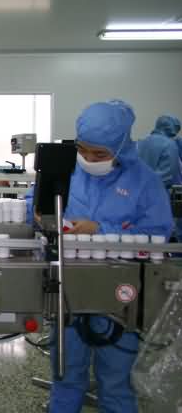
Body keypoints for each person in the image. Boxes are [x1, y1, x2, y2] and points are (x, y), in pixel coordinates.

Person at [28, 100, 173, 413]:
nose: (89, 159)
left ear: (120, 147)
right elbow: (35, 204)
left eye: (99, 154)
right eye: (83, 150)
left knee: (117, 380)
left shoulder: (144, 181)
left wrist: (100, 229)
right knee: (66, 373)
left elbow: (158, 233)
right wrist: (39, 215)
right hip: (69, 283)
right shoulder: (65, 170)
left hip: (121, 290)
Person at [137, 115, 182, 188]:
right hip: (159, 190)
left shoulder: (140, 143)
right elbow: (167, 176)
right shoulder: (170, 145)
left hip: (140, 188)